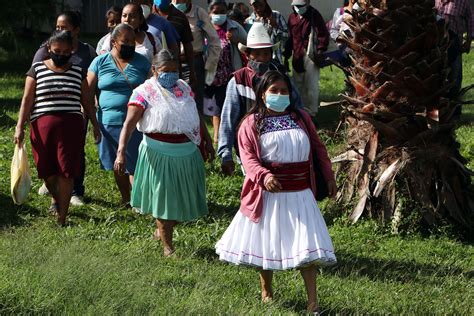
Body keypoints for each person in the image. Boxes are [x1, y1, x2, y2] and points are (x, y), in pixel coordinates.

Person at [215, 71, 337, 314]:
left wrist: (329, 176)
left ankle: (313, 303)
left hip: (301, 193)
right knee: (265, 243)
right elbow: (248, 158)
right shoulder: (251, 123)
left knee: (308, 247)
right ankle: (266, 292)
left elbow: (318, 148)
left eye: (284, 91)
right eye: (274, 91)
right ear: (262, 94)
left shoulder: (300, 117)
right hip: (268, 194)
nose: (280, 95)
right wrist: (264, 176)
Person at [115, 50, 208, 256]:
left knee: (184, 199)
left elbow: (195, 114)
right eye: (166, 71)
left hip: (186, 151)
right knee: (164, 200)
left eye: (175, 70)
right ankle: (168, 247)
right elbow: (129, 124)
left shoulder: (183, 88)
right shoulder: (144, 92)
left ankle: (161, 230)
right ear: (154, 70)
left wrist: (207, 141)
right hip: (159, 154)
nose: (172, 75)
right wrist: (121, 151)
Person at [14, 30, 101, 225]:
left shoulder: (79, 72)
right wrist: (19, 126)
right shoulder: (36, 70)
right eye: (56, 50)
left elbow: (87, 101)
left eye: (65, 51)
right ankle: (57, 198)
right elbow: (27, 100)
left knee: (66, 171)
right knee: (45, 170)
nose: (60, 54)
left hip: (71, 127)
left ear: (71, 51)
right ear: (48, 49)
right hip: (41, 126)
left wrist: (95, 124)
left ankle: (63, 216)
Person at [217, 22, 301, 176]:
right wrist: (225, 153)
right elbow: (228, 119)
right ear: (247, 55)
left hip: (281, 140)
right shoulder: (238, 80)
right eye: (257, 54)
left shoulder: (280, 74)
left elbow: (297, 106)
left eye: (266, 54)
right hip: (250, 144)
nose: (262, 58)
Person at [33, 11, 97, 205]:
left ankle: (76, 190)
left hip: (76, 110)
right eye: (58, 27)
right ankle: (52, 183)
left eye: (65, 27)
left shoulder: (87, 51)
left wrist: (90, 107)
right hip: (48, 109)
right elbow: (34, 76)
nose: (60, 30)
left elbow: (94, 78)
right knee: (50, 149)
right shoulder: (46, 49)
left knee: (75, 150)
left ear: (76, 30)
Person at [87, 24, 151, 207]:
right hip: (108, 122)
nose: (130, 44)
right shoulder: (99, 62)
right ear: (114, 42)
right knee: (118, 163)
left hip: (136, 122)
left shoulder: (142, 62)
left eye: (132, 41)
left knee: (136, 163)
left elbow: (151, 90)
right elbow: (88, 91)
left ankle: (138, 199)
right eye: (125, 42)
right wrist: (92, 119)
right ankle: (126, 198)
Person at [206, 0, 247, 144]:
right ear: (210, 12)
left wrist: (236, 40)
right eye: (216, 12)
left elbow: (248, 43)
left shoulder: (234, 27)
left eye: (222, 12)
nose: (219, 15)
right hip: (210, 75)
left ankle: (220, 137)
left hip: (228, 75)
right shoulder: (205, 27)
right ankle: (218, 137)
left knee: (223, 106)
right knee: (214, 107)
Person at [171, 0, 222, 113]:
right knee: (175, 102)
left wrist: (209, 66)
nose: (176, 2)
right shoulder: (168, 12)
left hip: (194, 64)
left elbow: (214, 41)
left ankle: (198, 129)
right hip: (172, 64)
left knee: (195, 103)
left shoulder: (199, 13)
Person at [284, 0, 330, 117]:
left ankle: (312, 112)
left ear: (308, 3)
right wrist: (287, 56)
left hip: (311, 55)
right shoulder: (292, 17)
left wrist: (320, 50)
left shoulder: (314, 15)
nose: (298, 8)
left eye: (301, 6)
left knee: (311, 85)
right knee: (298, 85)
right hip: (297, 56)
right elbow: (290, 39)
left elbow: (323, 34)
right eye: (296, 6)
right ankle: (299, 110)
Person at [435, 0, 473, 117]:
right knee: (436, 79)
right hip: (437, 46)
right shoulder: (436, 1)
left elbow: (471, 20)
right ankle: (436, 114)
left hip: (454, 45)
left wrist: (468, 40)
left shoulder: (462, 2)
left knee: (455, 78)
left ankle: (454, 114)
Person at [153, 0, 197, 89]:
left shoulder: (180, 16)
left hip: (173, 70)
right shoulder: (148, 16)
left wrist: (192, 71)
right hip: (154, 70)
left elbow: (187, 44)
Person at [97, 3, 162, 63]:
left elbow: (160, 63)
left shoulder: (152, 40)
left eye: (132, 16)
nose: (127, 19)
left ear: (141, 20)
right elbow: (103, 62)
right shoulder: (111, 39)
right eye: (124, 16)